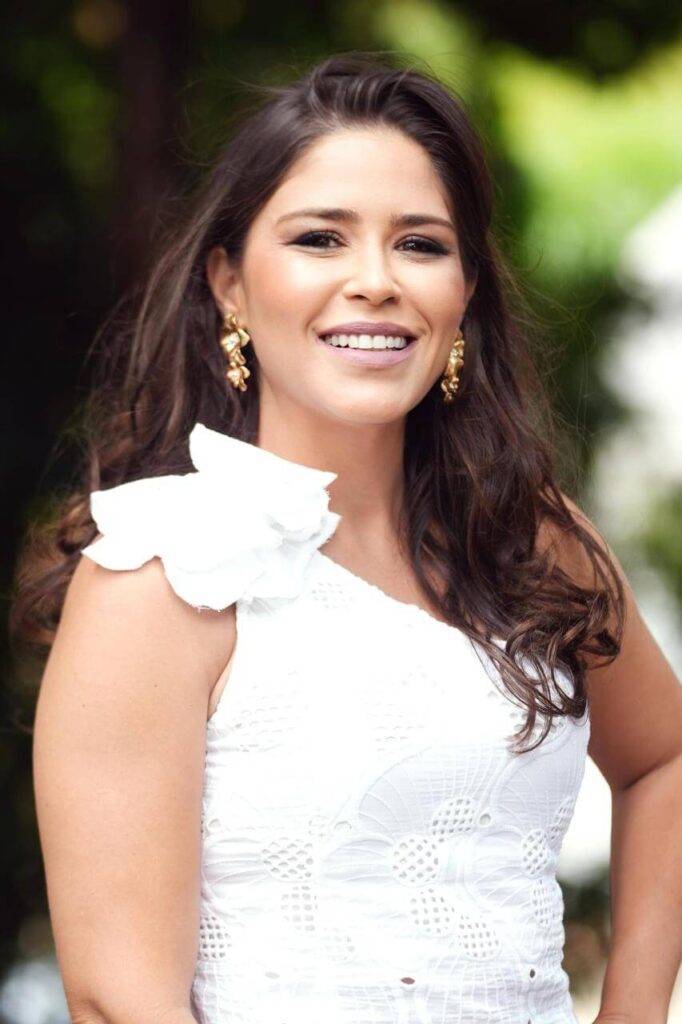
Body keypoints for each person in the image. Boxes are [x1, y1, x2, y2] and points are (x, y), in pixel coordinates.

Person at [13, 51, 682, 1024]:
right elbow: (119, 1000)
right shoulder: (167, 570)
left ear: (464, 292)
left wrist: (633, 1011)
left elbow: (664, 759)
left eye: (419, 244)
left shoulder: (528, 539)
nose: (374, 281)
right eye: (320, 238)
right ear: (229, 285)